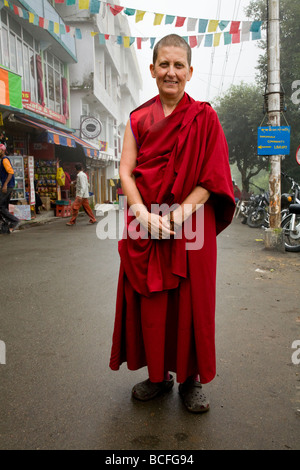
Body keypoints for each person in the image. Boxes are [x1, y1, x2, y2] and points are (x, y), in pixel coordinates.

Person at [109, 34, 235, 413]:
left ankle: (190, 380)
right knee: (151, 301)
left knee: (192, 302)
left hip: (191, 225)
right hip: (147, 226)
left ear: (190, 72)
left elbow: (214, 178)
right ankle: (157, 376)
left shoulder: (205, 118)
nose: (171, 72)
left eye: (179, 65)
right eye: (164, 64)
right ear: (152, 69)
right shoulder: (137, 119)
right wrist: (143, 214)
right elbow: (126, 172)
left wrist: (179, 213)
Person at [0, 144, 19, 233]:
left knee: (0, 206)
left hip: (7, 186)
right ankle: (5, 227)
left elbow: (10, 172)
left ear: (3, 150)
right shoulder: (3, 160)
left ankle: (14, 221)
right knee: (4, 206)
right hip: (8, 186)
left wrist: (5, 185)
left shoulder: (5, 160)